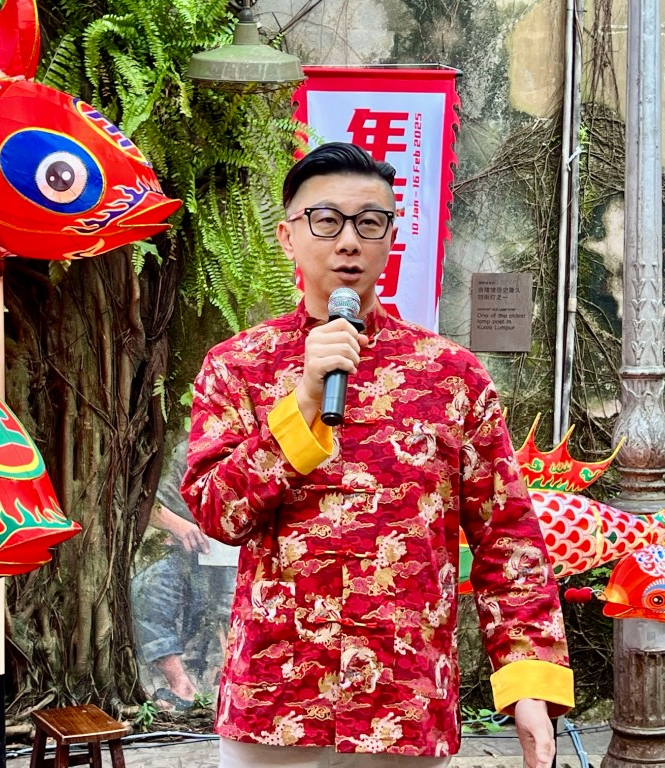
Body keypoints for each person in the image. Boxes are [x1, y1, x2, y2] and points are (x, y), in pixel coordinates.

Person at [181, 142, 573, 767]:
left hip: (406, 706)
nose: (348, 242)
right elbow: (216, 513)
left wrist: (528, 683)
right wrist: (302, 402)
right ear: (287, 236)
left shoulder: (451, 376)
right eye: (326, 220)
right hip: (274, 706)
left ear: (391, 237)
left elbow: (507, 536)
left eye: (369, 223)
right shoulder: (238, 367)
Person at [132, 437, 237, 710]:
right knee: (151, 586)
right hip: (181, 550)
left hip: (233, 556)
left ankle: (226, 683)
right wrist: (177, 525)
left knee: (232, 604)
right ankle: (181, 685)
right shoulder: (186, 450)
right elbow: (146, 502)